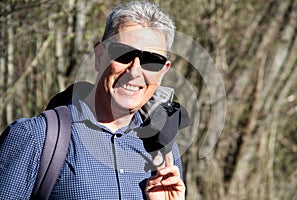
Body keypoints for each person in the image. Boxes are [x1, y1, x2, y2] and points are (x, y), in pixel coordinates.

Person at [0, 1, 187, 199]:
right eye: (123, 54)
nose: (134, 71)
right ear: (99, 56)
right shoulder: (35, 137)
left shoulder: (164, 152)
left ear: (164, 70)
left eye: (152, 61)